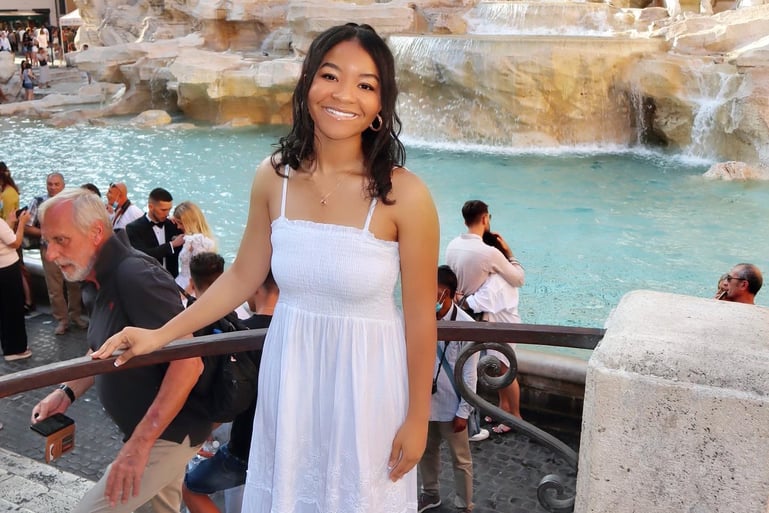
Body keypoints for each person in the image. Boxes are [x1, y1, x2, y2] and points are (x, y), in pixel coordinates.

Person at [94, 23, 439, 513]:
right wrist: (159, 336)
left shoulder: (407, 195)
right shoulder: (272, 176)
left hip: (369, 389)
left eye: (366, 85)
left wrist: (418, 418)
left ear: (381, 105)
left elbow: (421, 318)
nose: (345, 95)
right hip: (291, 376)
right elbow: (241, 276)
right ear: (307, 85)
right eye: (330, 76)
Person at [31, 188, 212, 513]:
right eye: (47, 242)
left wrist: (139, 446)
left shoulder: (135, 276)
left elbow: (189, 363)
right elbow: (102, 348)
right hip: (148, 432)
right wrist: (67, 392)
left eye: (61, 240)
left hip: (166, 434)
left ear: (96, 233)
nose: (51, 254)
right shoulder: (97, 278)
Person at [182, 253, 276, 513]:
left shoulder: (240, 334)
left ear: (256, 287)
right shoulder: (296, 333)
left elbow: (231, 396)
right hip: (284, 450)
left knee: (191, 487)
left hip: (244, 447)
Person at [446, 200, 525, 432]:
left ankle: (511, 414)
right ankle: (506, 411)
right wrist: (510, 254)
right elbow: (519, 278)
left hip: (469, 316)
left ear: (464, 219)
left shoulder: (452, 245)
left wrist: (458, 299)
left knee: (498, 365)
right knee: (497, 366)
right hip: (485, 318)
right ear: (485, 218)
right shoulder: (489, 254)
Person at [417, 266, 480, 513]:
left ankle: (465, 504)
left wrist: (464, 411)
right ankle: (429, 493)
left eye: (435, 293)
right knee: (425, 452)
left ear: (450, 294)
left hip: (452, 404)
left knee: (461, 460)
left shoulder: (467, 325)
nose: (428, 298)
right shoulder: (420, 316)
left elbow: (470, 372)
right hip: (425, 403)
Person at [459, 231, 524, 428]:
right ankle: (503, 408)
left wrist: (459, 300)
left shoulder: (498, 279)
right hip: (499, 325)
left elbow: (482, 300)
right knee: (498, 369)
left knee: (505, 369)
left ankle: (515, 416)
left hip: (504, 328)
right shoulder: (499, 274)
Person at [24, 172, 86, 335]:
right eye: (50, 184)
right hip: (49, 249)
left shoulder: (72, 202)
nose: (53, 187)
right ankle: (62, 320)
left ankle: (76, 315)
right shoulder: (37, 202)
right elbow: (27, 226)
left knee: (74, 284)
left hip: (71, 250)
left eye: (56, 184)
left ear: (63, 185)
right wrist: (46, 233)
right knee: (54, 287)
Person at [126, 187, 184, 277]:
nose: (167, 214)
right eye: (163, 210)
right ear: (151, 207)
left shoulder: (173, 225)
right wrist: (171, 245)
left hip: (172, 280)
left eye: (169, 209)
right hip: (147, 280)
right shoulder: (133, 228)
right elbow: (143, 256)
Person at [0, 207, 32, 361]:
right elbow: (15, 242)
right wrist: (22, 223)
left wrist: (9, 223)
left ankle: (9, 346)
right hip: (7, 270)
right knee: (13, 309)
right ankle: (15, 349)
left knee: (5, 310)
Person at [171, 201, 216, 294]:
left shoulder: (196, 241)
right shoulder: (198, 239)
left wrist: (184, 295)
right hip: (184, 282)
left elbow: (200, 273)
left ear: (190, 222)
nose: (178, 227)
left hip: (189, 287)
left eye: (180, 223)